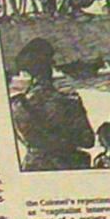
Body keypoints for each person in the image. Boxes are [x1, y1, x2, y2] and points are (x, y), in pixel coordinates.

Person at [9, 37, 93, 170]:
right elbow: (87, 141)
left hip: (34, 167)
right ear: (50, 68)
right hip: (69, 165)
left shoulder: (16, 105)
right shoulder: (69, 102)